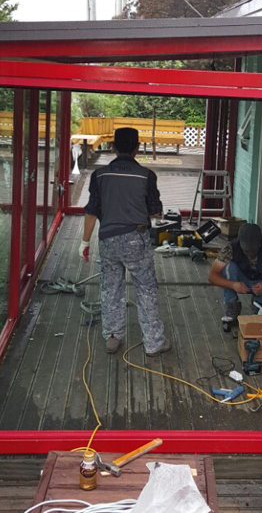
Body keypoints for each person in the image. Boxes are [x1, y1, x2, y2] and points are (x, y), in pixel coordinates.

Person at [79, 127, 171, 356]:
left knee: (111, 288)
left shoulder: (99, 175)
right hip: (136, 239)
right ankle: (153, 343)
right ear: (137, 148)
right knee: (146, 289)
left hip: (108, 239)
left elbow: (91, 211)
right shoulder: (146, 175)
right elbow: (155, 210)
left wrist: (84, 242)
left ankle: (112, 336)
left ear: (113, 147)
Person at [208, 223, 262, 324]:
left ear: (260, 242)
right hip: (242, 278)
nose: (250, 253)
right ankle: (232, 304)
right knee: (228, 268)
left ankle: (260, 304)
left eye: (253, 249)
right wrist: (233, 285)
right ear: (239, 241)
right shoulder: (230, 248)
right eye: (246, 250)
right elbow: (212, 276)